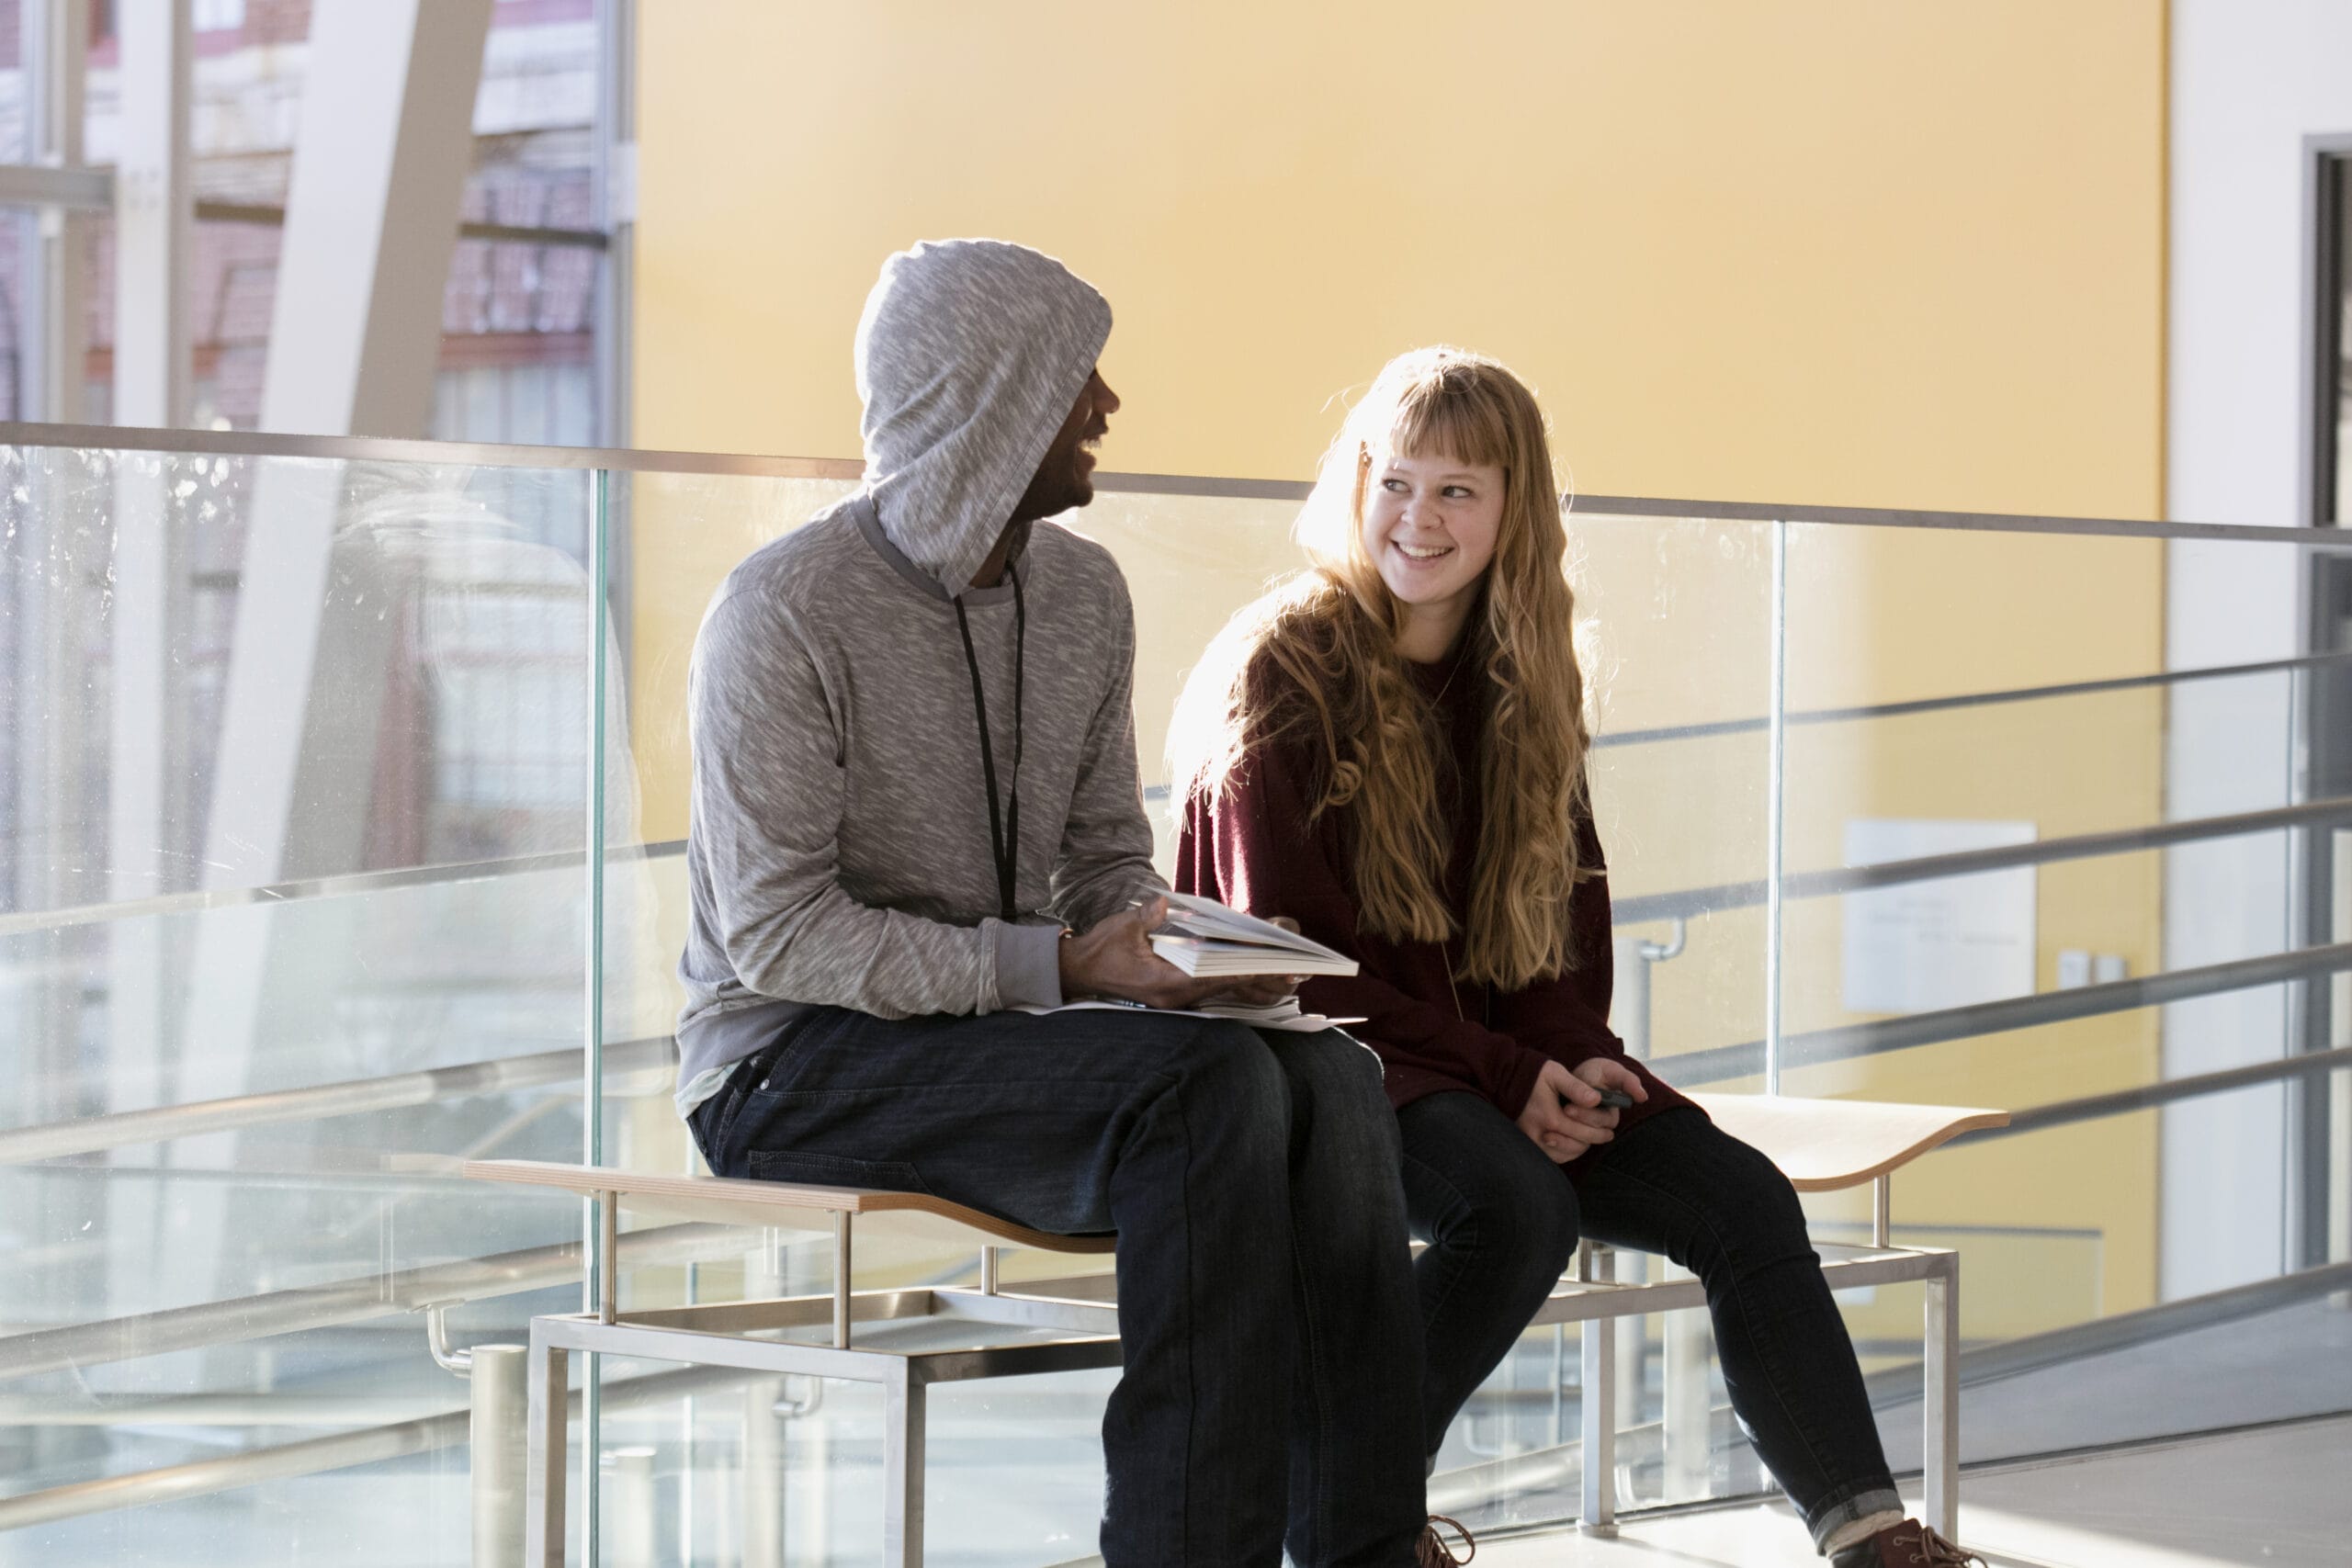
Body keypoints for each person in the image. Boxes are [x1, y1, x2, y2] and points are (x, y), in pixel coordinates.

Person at [673, 239, 1429, 1568]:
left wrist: (1184, 952)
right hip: (787, 1064)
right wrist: (1066, 969)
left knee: (1331, 1080)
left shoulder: (1083, 593)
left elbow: (1101, 856)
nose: (1108, 404)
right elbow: (779, 936)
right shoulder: (782, 613)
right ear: (992, 398)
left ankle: (1362, 1548)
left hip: (995, 1037)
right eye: (1080, 374)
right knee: (1205, 1094)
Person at [1169, 346, 1984, 1568]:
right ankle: (1350, 1517)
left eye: (1458, 489)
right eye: (1397, 481)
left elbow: (1552, 940)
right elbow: (1291, 965)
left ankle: (1873, 1540)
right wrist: (1509, 1079)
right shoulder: (1283, 669)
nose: (1420, 517)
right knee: (1513, 1207)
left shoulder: (1524, 682)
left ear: (1516, 510)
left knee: (1742, 1199)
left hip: (1489, 1075)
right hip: (1322, 1070)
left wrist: (1567, 1064)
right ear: (1357, 485)